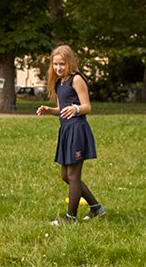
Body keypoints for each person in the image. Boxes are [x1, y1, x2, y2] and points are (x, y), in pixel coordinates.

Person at [36, 45, 106, 225]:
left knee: (73, 176)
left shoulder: (76, 79)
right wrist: (49, 110)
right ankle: (96, 208)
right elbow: (61, 109)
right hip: (66, 131)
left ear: (70, 63)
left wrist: (76, 109)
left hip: (77, 130)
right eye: (55, 64)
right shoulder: (59, 83)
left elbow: (86, 106)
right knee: (66, 176)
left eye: (62, 64)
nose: (59, 68)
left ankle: (70, 218)